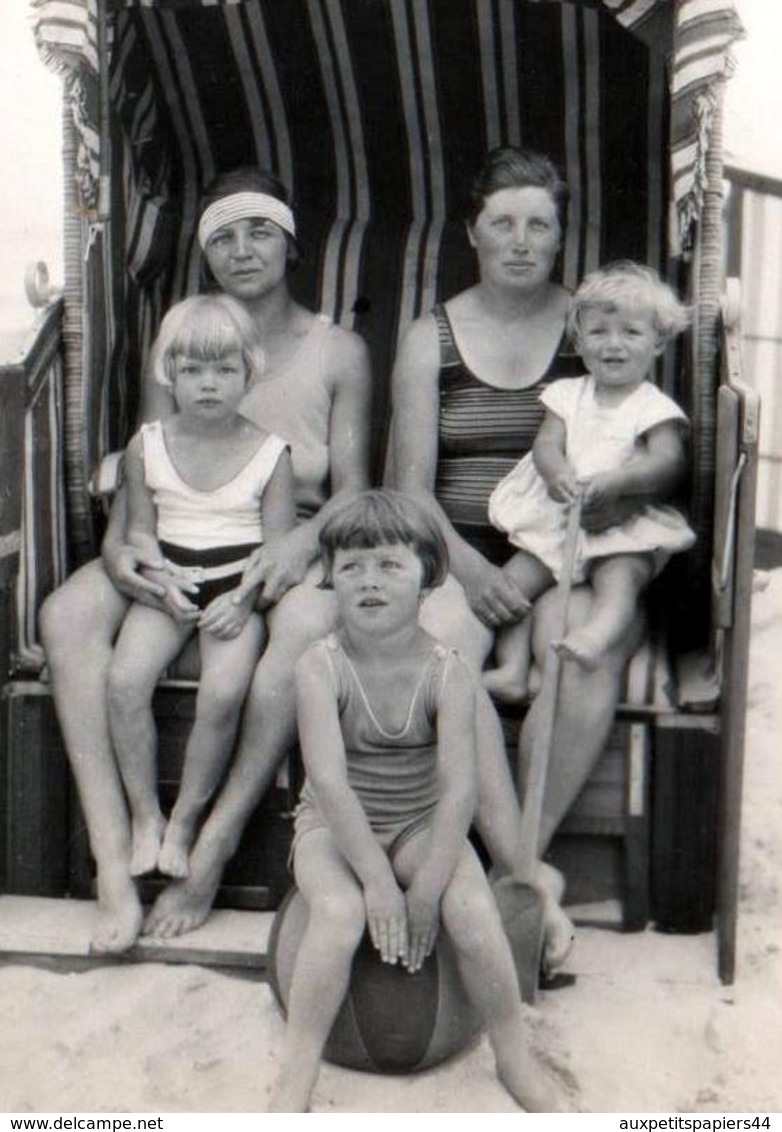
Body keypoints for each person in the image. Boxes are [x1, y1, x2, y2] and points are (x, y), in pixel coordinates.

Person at [39, 167, 371, 953]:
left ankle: (212, 844)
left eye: (260, 232)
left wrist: (296, 545)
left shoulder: (339, 351)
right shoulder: (184, 339)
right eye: (223, 236)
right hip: (179, 536)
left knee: (311, 621)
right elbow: (145, 474)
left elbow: (355, 493)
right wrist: (125, 552)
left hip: (298, 535)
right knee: (67, 613)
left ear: (290, 244)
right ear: (204, 253)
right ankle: (115, 861)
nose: (243, 250)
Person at [391, 148, 681, 971]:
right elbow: (405, 487)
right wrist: (471, 573)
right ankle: (523, 879)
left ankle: (518, 871)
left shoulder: (590, 328)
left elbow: (635, 443)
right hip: (454, 554)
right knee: (439, 659)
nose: (521, 241)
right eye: (503, 224)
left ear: (561, 237)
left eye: (540, 226)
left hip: (568, 555)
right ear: (474, 233)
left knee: (578, 648)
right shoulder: (430, 335)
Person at [269, 490, 568, 1114]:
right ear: (331, 580)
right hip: (333, 825)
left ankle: (514, 1059)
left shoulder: (448, 669)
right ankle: (295, 1078)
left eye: (389, 566)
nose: (369, 582)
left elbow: (461, 791)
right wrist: (378, 884)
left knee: (471, 905)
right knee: (340, 911)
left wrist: (427, 890)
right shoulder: (318, 667)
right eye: (351, 568)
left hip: (420, 821)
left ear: (428, 578)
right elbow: (327, 782)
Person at [107, 295, 296, 880]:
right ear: (170, 375)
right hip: (169, 588)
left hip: (236, 594)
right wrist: (155, 578)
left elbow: (277, 553)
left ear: (249, 374)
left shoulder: (270, 453)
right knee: (123, 681)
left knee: (222, 693)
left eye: (224, 370)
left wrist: (243, 602)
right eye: (192, 371)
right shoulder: (146, 445)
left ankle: (187, 820)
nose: (208, 385)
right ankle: (146, 816)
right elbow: (139, 530)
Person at [483, 262, 695, 701]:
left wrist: (619, 480)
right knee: (509, 589)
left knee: (620, 578)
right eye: (599, 332)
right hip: (559, 519)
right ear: (579, 341)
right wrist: (556, 472)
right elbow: (546, 445)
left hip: (620, 526)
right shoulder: (567, 394)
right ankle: (513, 668)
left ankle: (596, 637)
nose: (613, 344)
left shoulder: (652, 406)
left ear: (657, 341)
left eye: (631, 333)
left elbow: (668, 463)